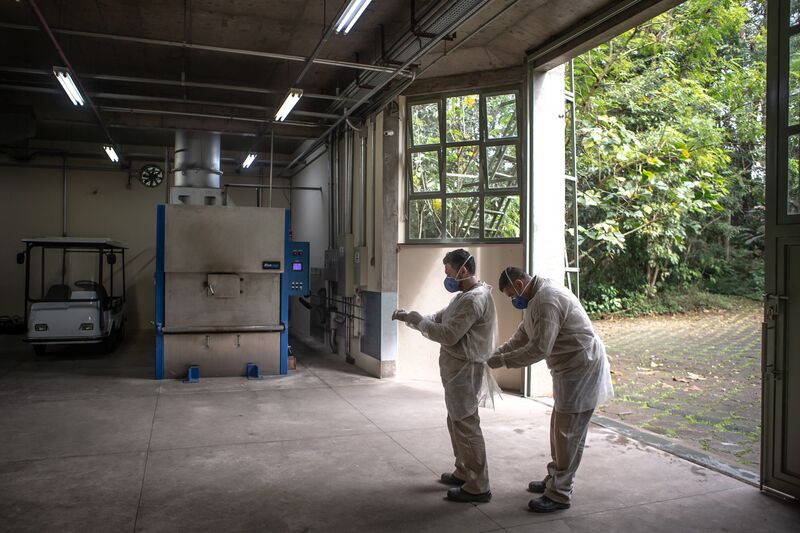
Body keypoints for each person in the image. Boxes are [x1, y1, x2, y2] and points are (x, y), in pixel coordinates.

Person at [487, 267, 613, 513]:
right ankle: (555, 477)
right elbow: (523, 335)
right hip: (567, 370)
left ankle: (560, 493)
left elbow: (540, 348)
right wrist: (498, 352)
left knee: (569, 433)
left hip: (581, 368)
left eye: (513, 294)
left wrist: (503, 361)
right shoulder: (534, 298)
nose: (514, 300)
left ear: (521, 283)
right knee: (560, 427)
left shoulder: (547, 299)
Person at [393, 249, 498, 503]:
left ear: (462, 270)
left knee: (466, 423)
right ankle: (464, 470)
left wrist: (420, 323)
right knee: (456, 421)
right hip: (456, 371)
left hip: (465, 370)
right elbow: (439, 318)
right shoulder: (463, 297)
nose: (446, 276)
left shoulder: (474, 300)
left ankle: (478, 484)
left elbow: (449, 334)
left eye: (448, 271)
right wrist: (413, 317)